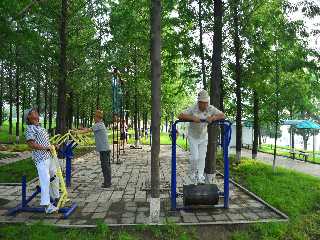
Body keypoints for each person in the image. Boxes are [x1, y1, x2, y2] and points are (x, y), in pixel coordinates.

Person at [178, 90, 225, 184]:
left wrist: (213, 118)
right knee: (195, 157)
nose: (203, 105)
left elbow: (222, 115)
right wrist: (192, 118)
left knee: (202, 157)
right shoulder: (193, 108)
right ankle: (192, 174)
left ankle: (200, 176)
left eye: (205, 103)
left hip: (203, 136)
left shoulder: (210, 108)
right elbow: (180, 115)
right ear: (198, 102)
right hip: (193, 136)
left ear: (207, 102)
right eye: (201, 103)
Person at [24, 108, 60, 214]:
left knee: (55, 176)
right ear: (29, 117)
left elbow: (45, 142)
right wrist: (47, 148)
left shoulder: (40, 127)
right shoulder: (30, 128)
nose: (36, 113)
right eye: (33, 112)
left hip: (49, 156)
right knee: (45, 180)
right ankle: (47, 205)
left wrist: (53, 146)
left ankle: (56, 197)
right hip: (41, 158)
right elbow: (31, 144)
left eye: (36, 112)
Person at [76, 110, 111, 188]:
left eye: (94, 117)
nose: (93, 118)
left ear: (97, 117)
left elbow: (88, 130)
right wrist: (79, 130)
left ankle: (107, 183)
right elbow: (88, 129)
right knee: (106, 166)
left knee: (105, 166)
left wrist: (76, 132)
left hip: (104, 149)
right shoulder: (99, 124)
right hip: (104, 149)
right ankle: (107, 182)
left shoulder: (98, 125)